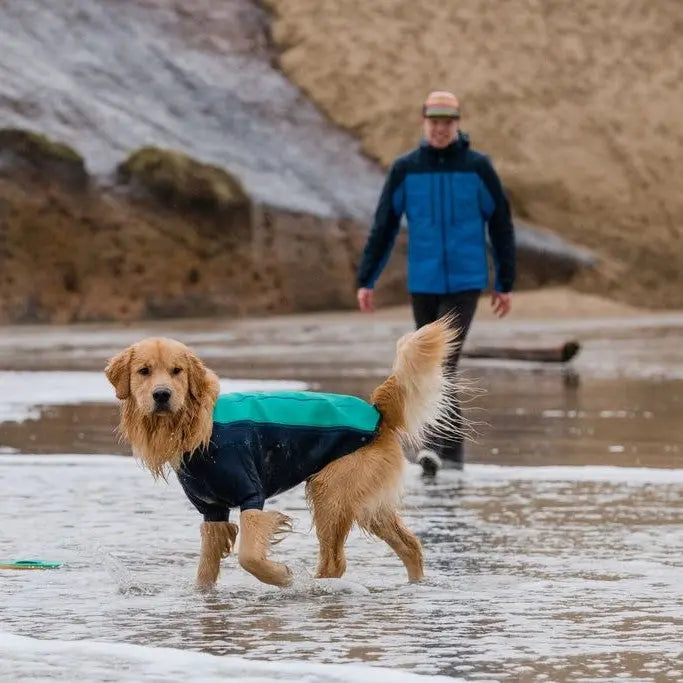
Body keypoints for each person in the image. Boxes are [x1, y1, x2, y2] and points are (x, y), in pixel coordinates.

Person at [356, 90, 516, 475]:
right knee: (425, 365)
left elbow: (501, 224)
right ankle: (446, 455)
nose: (441, 129)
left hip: (465, 280)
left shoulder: (478, 168)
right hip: (424, 282)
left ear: (457, 124)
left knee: (442, 364)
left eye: (448, 123)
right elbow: (384, 226)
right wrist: (367, 279)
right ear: (424, 123)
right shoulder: (406, 169)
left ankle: (438, 449)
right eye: (434, 122)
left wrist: (504, 282)